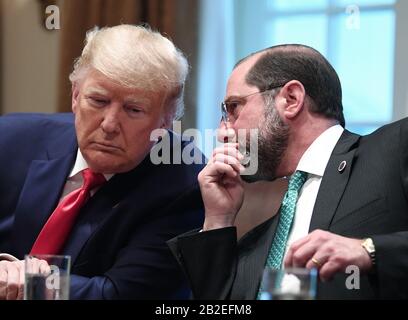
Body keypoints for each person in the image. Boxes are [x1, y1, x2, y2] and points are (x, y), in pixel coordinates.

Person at [168, 44, 408, 299]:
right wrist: (218, 220)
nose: (222, 132)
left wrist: (369, 250)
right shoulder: (257, 243)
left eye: (234, 108)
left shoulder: (395, 148)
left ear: (291, 99)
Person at [0, 24, 205, 300]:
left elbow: (119, 294)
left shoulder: (183, 182)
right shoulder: (11, 140)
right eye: (98, 100)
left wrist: (33, 283)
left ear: (167, 119)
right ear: (75, 95)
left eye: (133, 110)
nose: (109, 125)